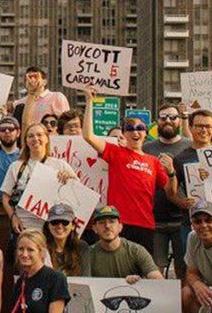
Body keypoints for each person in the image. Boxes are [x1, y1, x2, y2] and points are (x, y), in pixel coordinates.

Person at [81, 87, 178, 252]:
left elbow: (171, 191)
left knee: (143, 273)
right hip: (118, 225)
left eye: (140, 128)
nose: (135, 132)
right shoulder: (116, 152)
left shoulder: (153, 161)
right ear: (124, 133)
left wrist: (171, 172)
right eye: (130, 129)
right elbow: (88, 136)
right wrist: (89, 101)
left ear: (145, 133)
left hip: (146, 225)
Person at [144, 103, 194, 277]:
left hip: (182, 220)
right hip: (155, 219)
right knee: (154, 270)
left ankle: (182, 304)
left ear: (180, 121)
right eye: (163, 117)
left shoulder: (189, 147)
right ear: (156, 122)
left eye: (173, 117)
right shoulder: (146, 148)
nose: (168, 121)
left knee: (184, 269)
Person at [0, 122, 78, 233]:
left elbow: (78, 194)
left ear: (47, 139)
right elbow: (6, 196)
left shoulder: (60, 165)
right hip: (25, 229)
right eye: (30, 136)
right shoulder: (16, 166)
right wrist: (13, 217)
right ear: (26, 141)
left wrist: (69, 178)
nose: (35, 138)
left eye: (39, 135)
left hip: (54, 230)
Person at [86, 206, 162, 281]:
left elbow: (158, 280)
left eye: (112, 222)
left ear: (120, 227)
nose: (107, 226)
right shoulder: (88, 254)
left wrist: (140, 282)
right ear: (94, 228)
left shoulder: (136, 251)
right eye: (102, 223)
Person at [42, 203, 91, 277]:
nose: (59, 226)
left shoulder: (81, 247)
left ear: (73, 226)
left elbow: (85, 278)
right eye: (54, 222)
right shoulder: (40, 247)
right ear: (48, 225)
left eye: (65, 222)